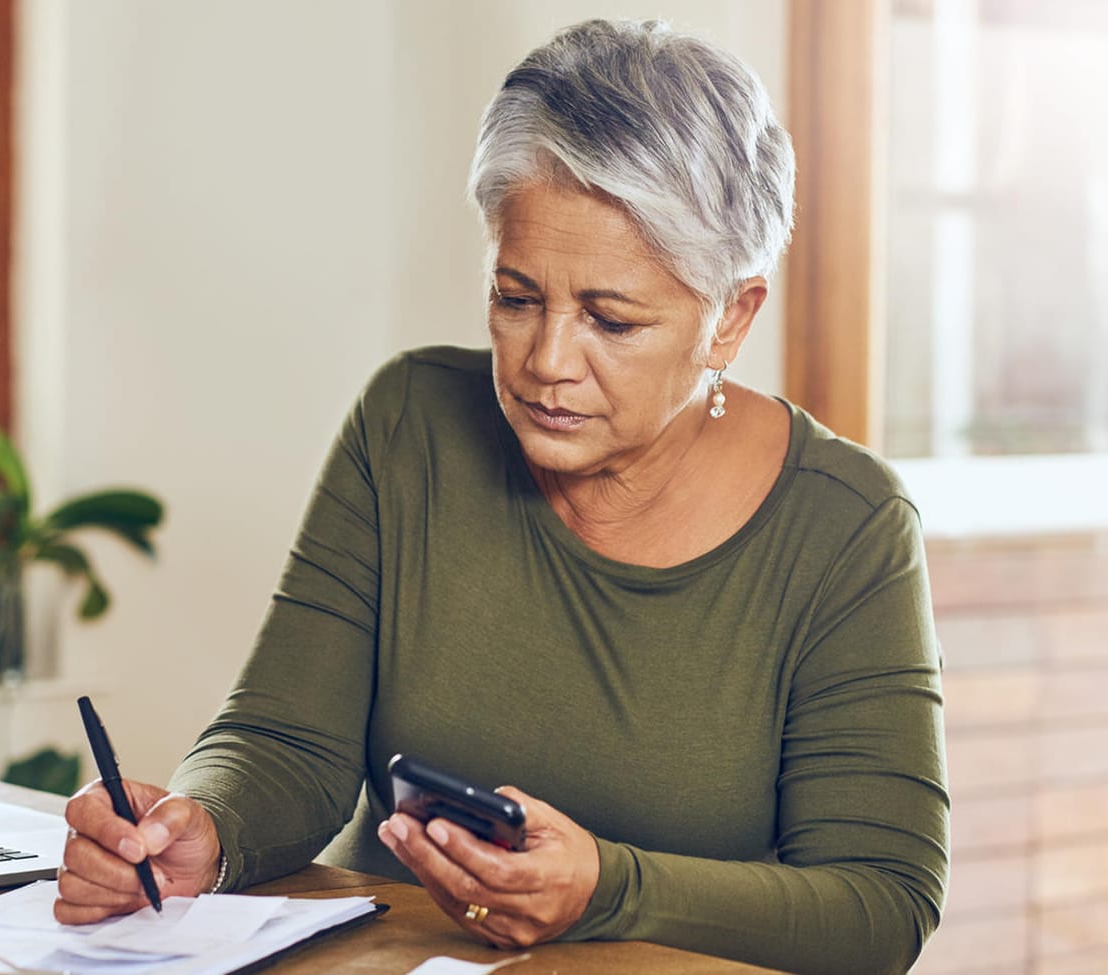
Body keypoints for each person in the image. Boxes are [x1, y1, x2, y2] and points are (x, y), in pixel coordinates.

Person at [54, 18, 948, 975]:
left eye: (609, 318)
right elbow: (283, 738)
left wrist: (608, 887)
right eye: (516, 299)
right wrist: (207, 827)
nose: (545, 363)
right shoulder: (409, 422)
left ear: (730, 314)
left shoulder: (846, 524)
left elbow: (880, 901)